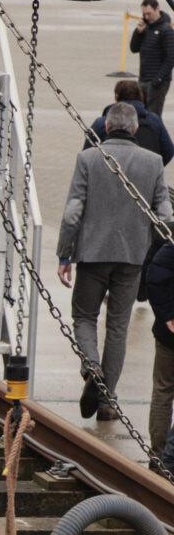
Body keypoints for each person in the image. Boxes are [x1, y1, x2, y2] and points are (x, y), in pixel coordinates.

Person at [58, 100, 174, 419]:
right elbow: (164, 215)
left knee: (84, 316)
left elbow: (71, 214)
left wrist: (64, 254)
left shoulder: (88, 158)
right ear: (135, 129)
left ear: (106, 127)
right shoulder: (152, 163)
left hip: (92, 255)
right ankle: (108, 402)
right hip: (132, 258)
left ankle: (91, 366)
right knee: (118, 327)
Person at [90, 77, 174, 162]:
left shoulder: (101, 123)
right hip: (145, 170)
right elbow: (168, 151)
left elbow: (88, 151)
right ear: (140, 96)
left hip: (110, 170)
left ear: (116, 97)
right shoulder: (154, 121)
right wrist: (154, 167)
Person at [144, 228, 174, 461]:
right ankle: (163, 456)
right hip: (169, 333)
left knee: (163, 391)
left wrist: (166, 315)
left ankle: (159, 454)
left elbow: (154, 274)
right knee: (163, 390)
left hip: (167, 332)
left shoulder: (168, 237)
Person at [134, 0, 174, 118]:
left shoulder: (166, 29)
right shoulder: (146, 28)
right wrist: (138, 32)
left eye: (149, 13)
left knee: (153, 116)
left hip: (157, 82)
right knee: (140, 115)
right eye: (144, 14)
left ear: (157, 9)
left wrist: (158, 79)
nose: (146, 17)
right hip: (143, 79)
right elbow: (133, 48)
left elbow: (171, 57)